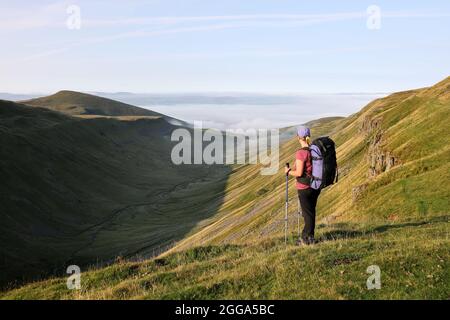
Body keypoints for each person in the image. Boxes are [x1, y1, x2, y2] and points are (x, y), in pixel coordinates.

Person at [284, 126, 321, 245]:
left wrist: (288, 172)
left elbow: (299, 173)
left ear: (298, 137)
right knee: (311, 212)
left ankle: (306, 239)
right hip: (315, 185)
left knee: (307, 214)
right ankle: (309, 237)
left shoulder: (301, 153)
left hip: (304, 187)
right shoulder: (313, 150)